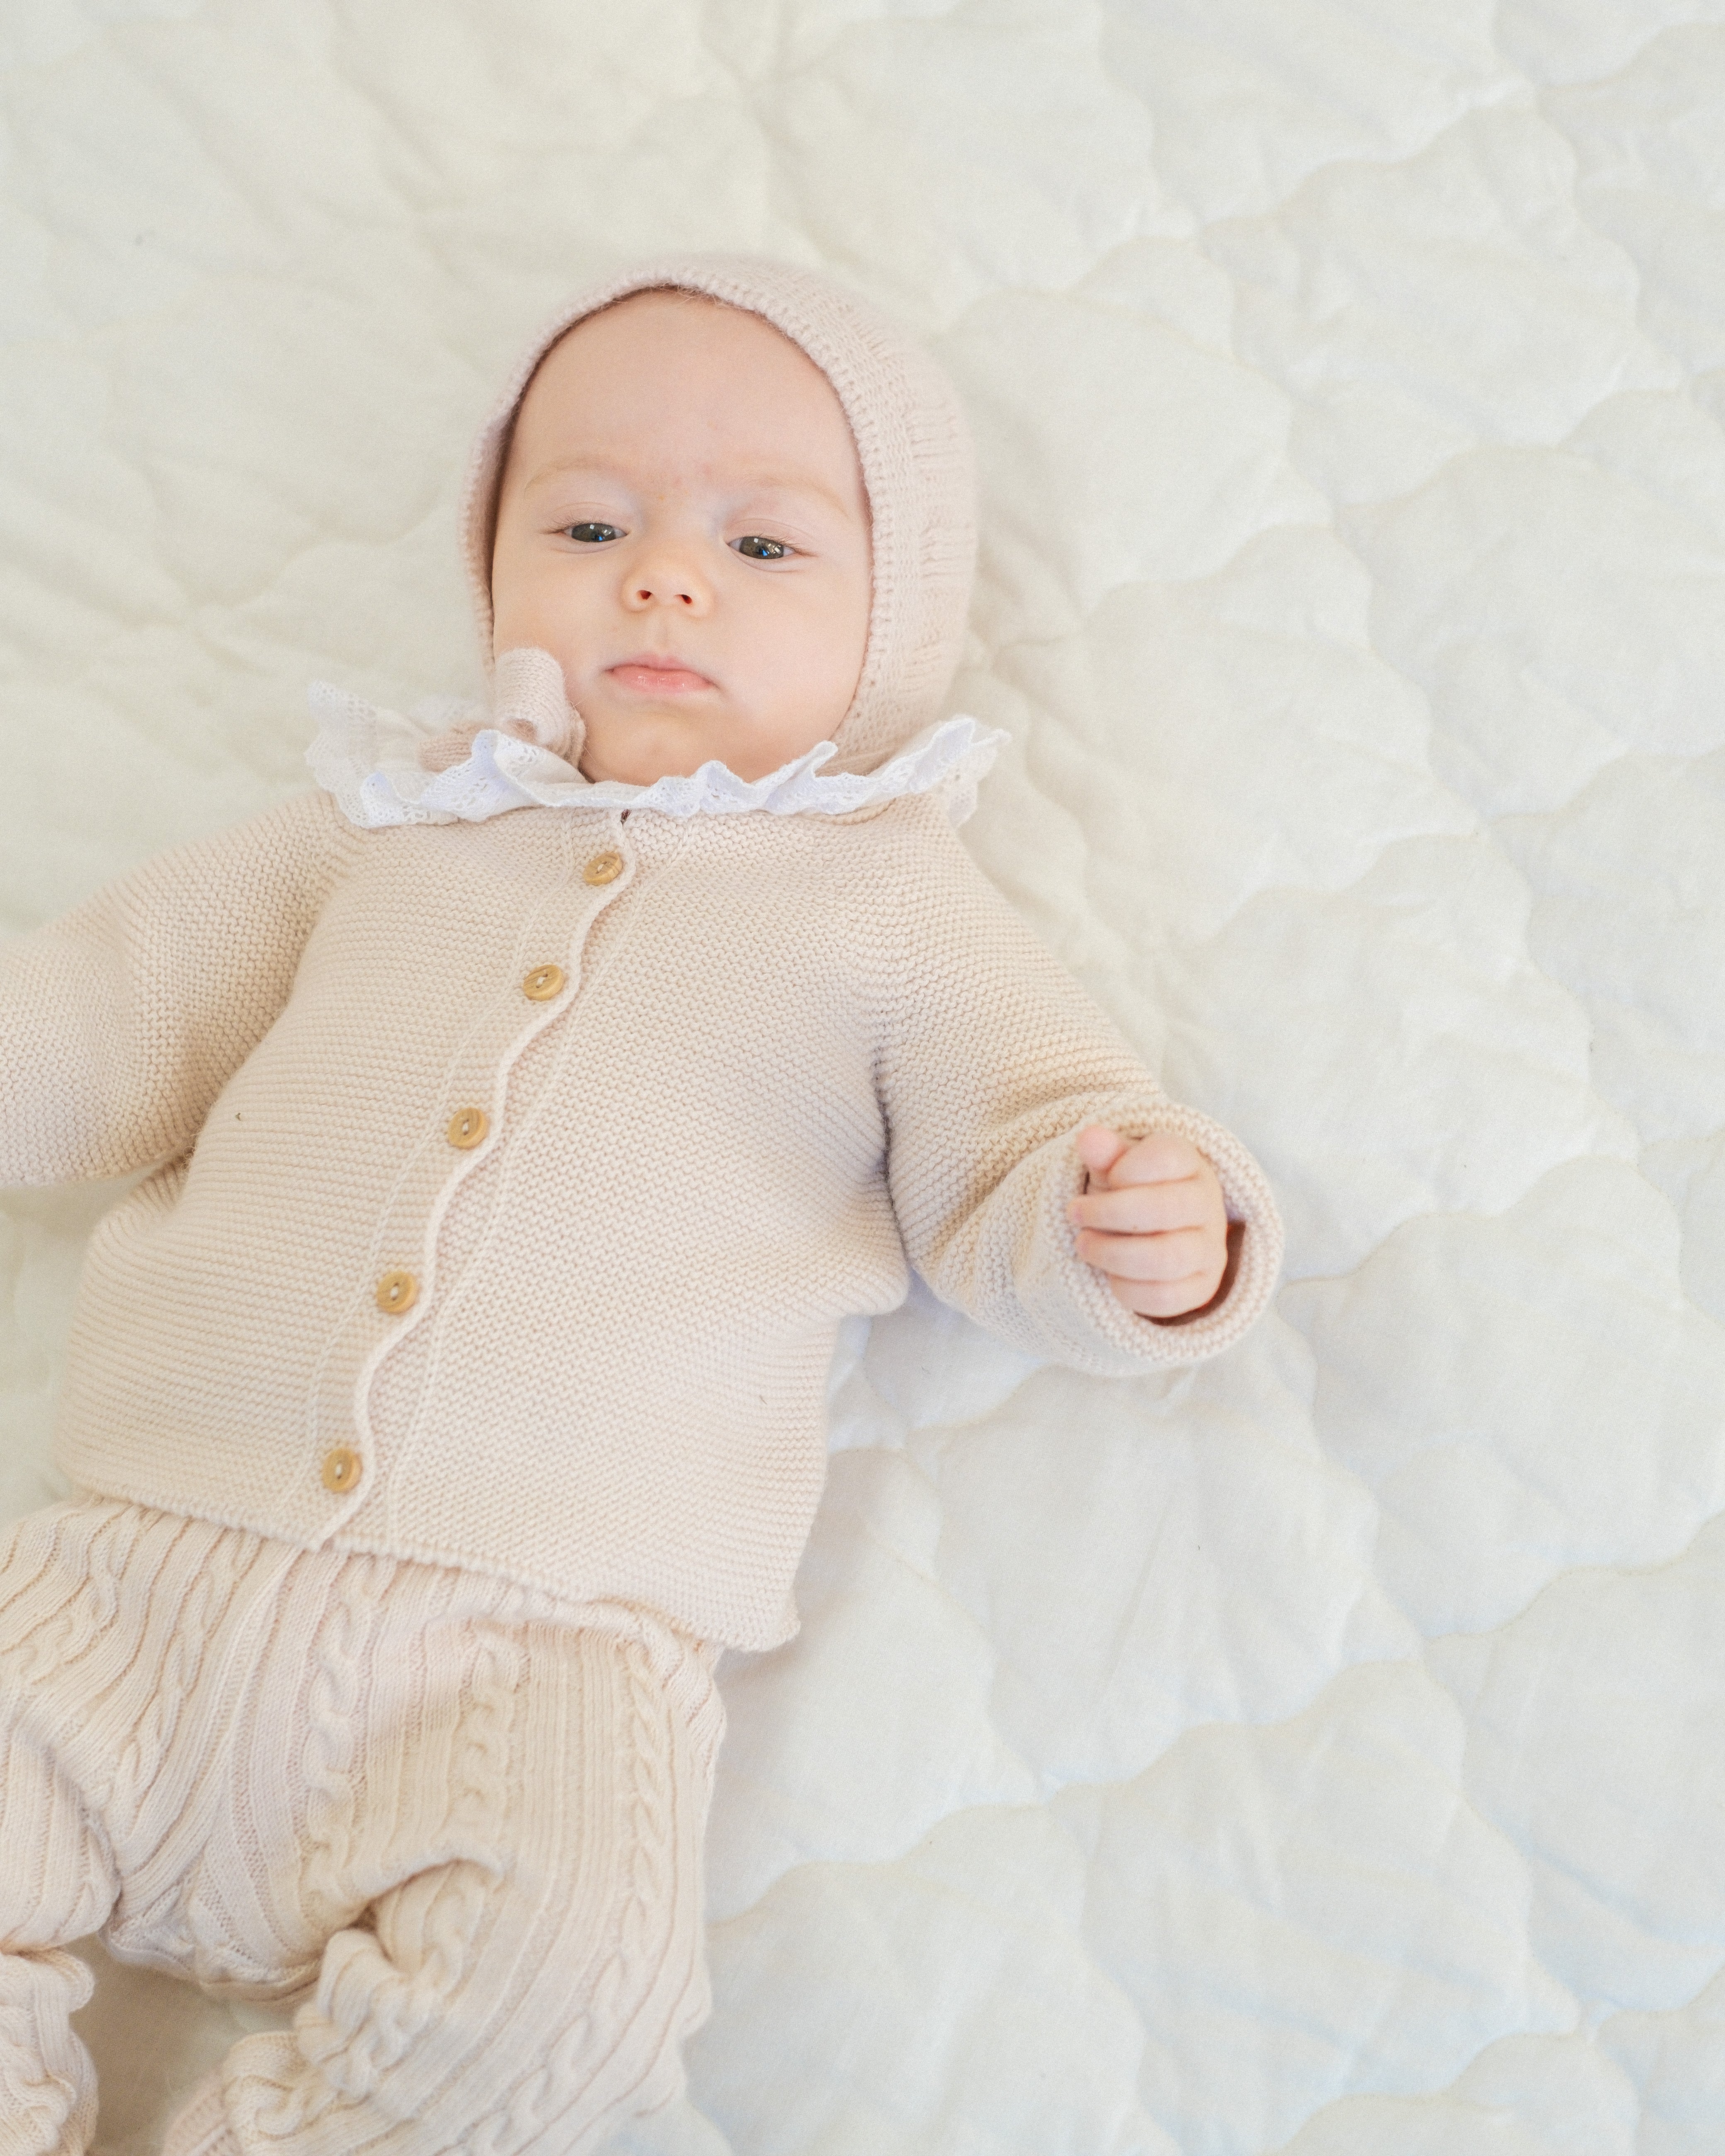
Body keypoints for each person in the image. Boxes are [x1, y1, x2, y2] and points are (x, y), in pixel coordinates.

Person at [0, 256, 1282, 2155]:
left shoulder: (888, 904)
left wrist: (1134, 1225)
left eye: (763, 547)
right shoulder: (380, 824)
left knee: (564, 2025)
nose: (665, 575)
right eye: (590, 522)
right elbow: (101, 1020)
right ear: (496, 565)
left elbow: (1025, 1146)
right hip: (125, 1579)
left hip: (547, 1669)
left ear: (891, 615)